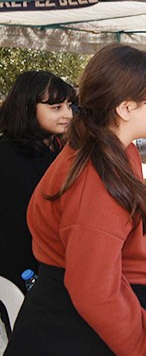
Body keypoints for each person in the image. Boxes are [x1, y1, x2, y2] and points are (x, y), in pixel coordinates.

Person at [5, 44, 146, 355]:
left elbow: (144, 233)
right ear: (125, 108)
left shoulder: (118, 150)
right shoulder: (97, 174)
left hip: (113, 309)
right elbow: (95, 293)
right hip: (79, 328)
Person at [0, 71, 75, 293]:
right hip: (23, 270)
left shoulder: (59, 146)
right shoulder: (8, 156)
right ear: (27, 107)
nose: (68, 114)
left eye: (69, 106)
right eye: (56, 108)